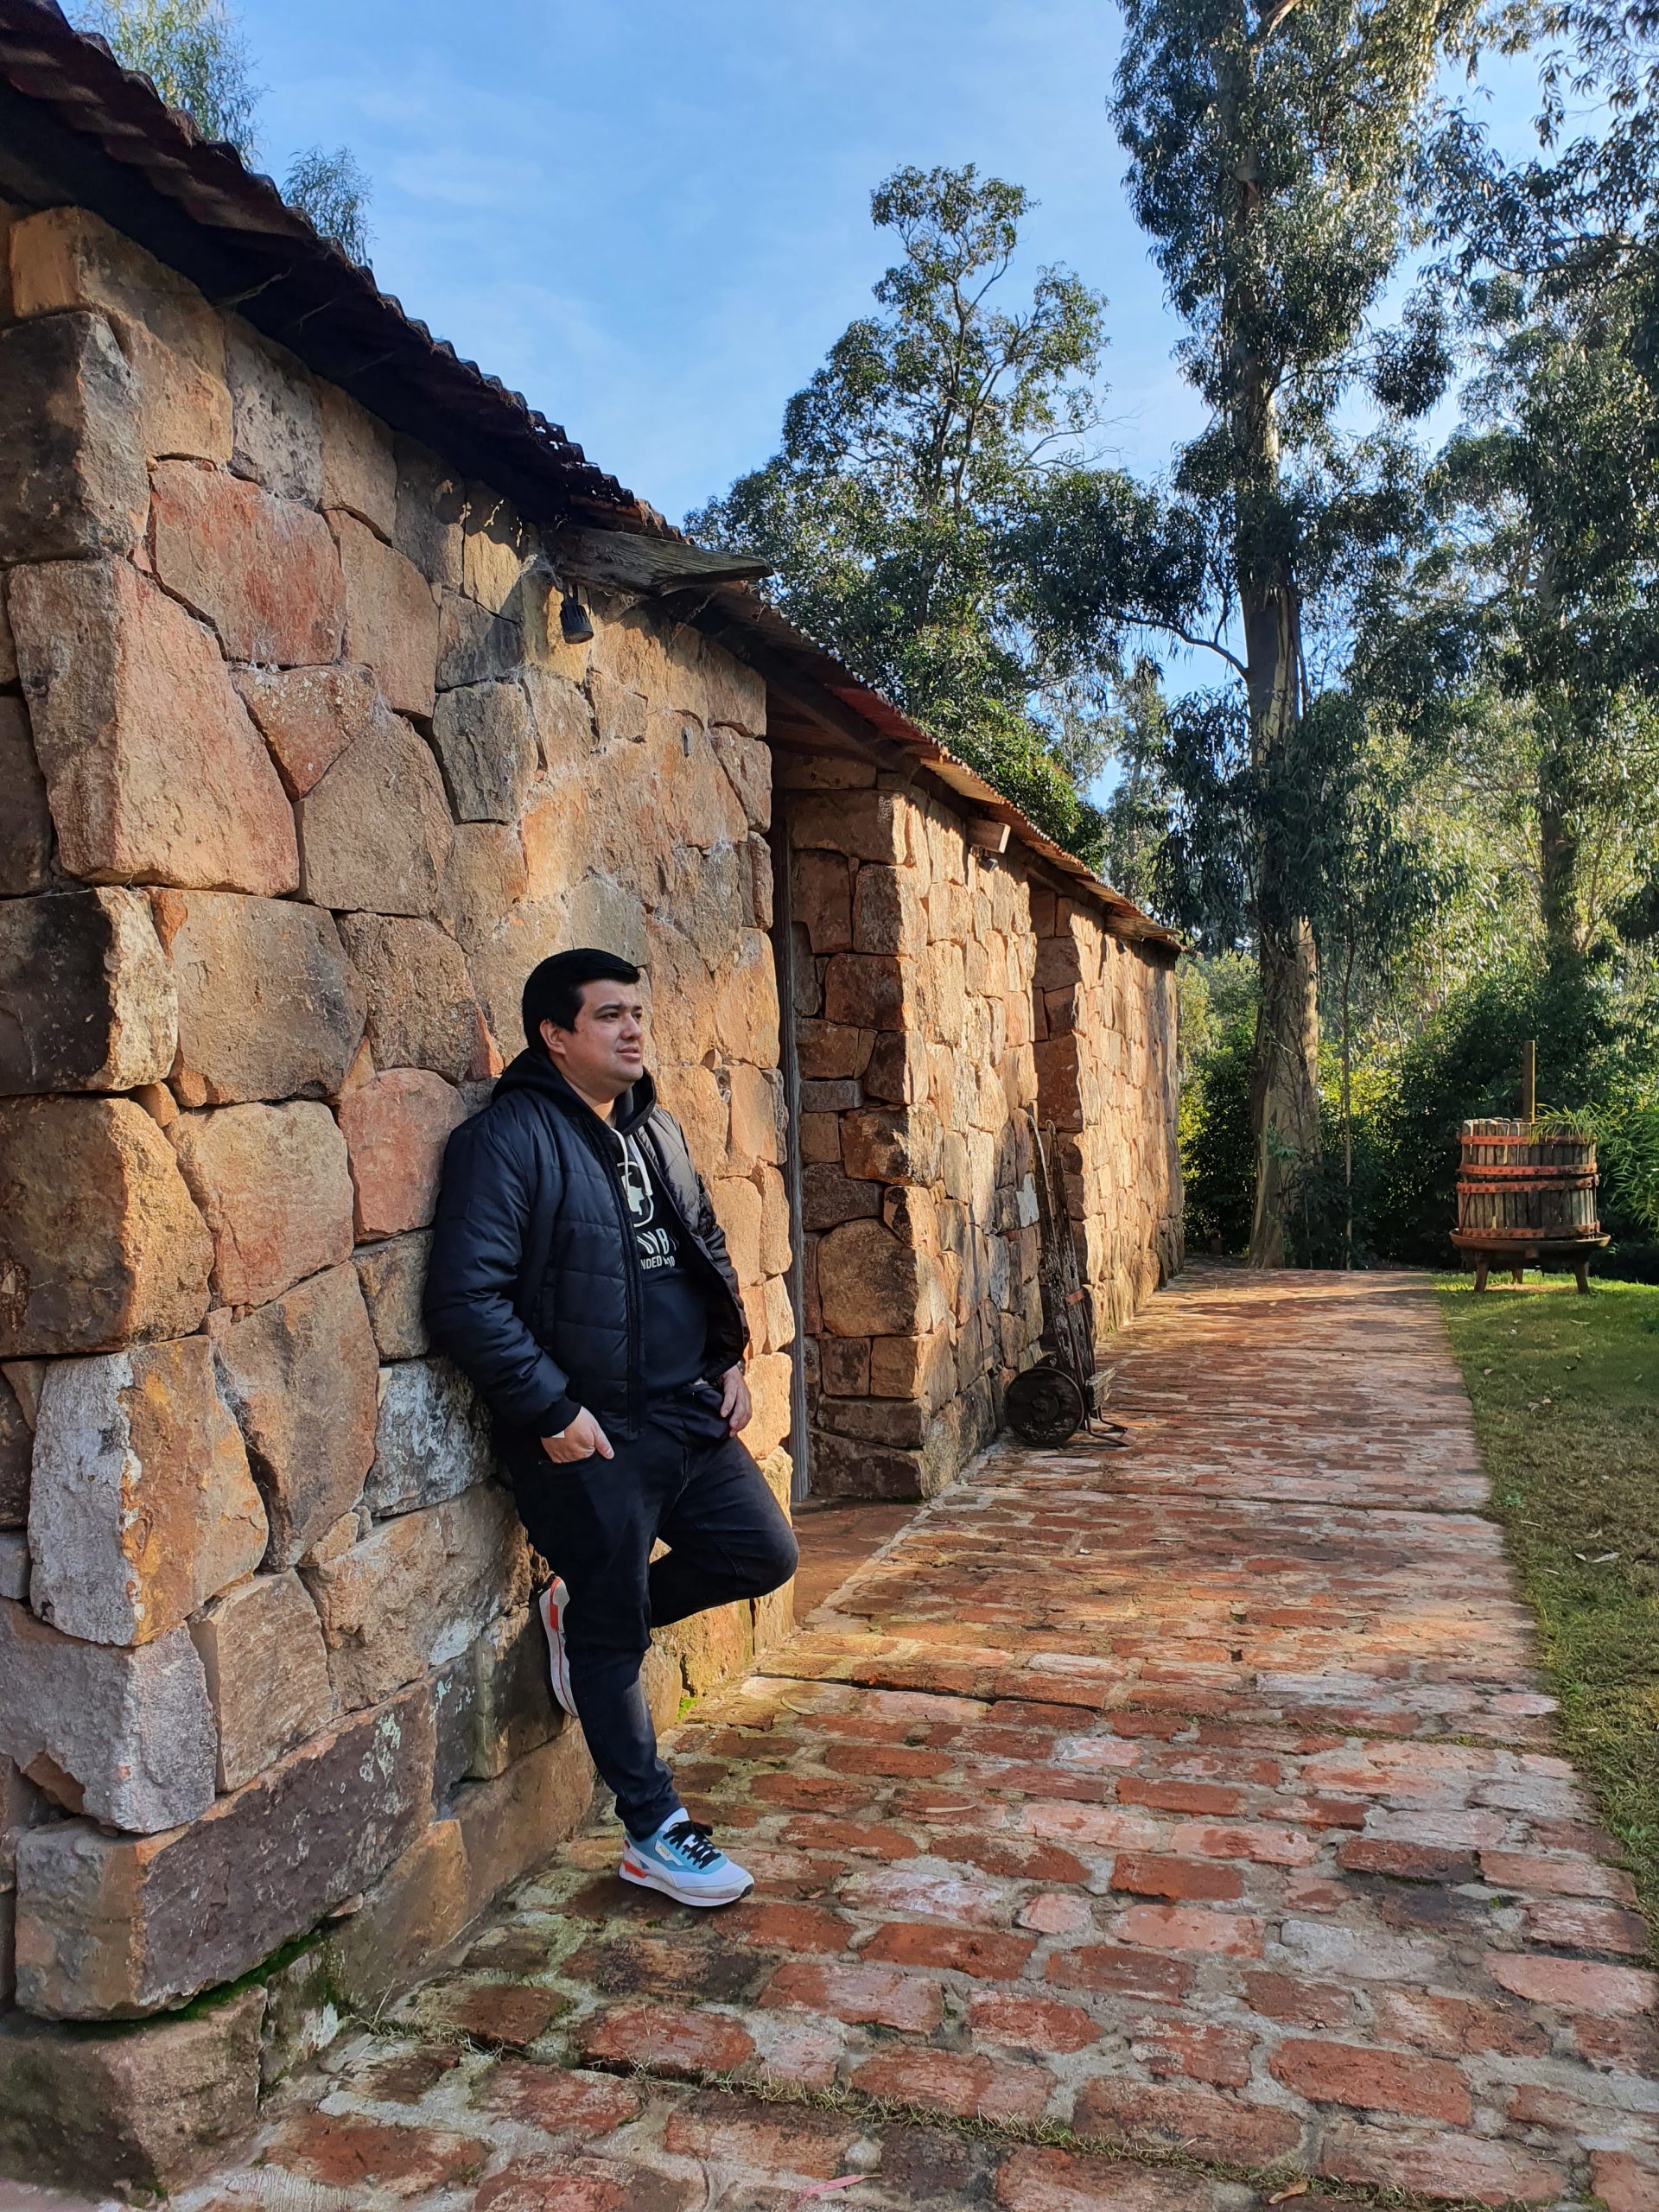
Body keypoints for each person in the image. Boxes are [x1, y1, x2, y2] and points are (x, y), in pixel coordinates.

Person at [424, 947, 798, 1906]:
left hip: (687, 1412)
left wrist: (726, 1358)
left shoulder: (653, 1127)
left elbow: (703, 1244)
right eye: (608, 1015)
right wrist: (551, 1410)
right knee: (612, 1632)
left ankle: (584, 1612)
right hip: (592, 1435)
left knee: (763, 1553)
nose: (633, 1029)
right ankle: (653, 1830)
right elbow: (466, 1297)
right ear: (555, 1035)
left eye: (637, 1011)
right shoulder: (506, 1141)